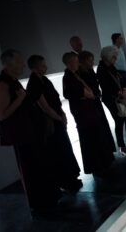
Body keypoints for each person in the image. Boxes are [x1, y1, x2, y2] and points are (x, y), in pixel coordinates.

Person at [0, 49, 61, 211]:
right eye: (19, 61)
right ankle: (40, 205)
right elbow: (0, 115)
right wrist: (21, 97)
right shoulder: (3, 83)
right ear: (9, 64)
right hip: (22, 136)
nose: (23, 64)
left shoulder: (12, 81)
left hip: (28, 133)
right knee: (31, 170)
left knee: (37, 168)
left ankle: (46, 201)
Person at [26, 55, 82, 192]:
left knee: (65, 148)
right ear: (34, 67)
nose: (45, 67)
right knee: (58, 151)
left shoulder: (44, 80)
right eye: (42, 65)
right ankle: (65, 181)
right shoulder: (34, 83)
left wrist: (62, 114)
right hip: (49, 122)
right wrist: (58, 117)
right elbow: (44, 106)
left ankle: (71, 178)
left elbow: (55, 99)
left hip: (56, 118)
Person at [62, 52, 115, 176]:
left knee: (95, 135)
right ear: (70, 63)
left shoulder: (74, 75)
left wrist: (89, 94)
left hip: (87, 110)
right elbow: (85, 93)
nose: (78, 63)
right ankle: (96, 165)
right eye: (76, 61)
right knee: (89, 138)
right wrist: (88, 94)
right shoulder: (69, 77)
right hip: (83, 112)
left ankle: (101, 162)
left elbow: (89, 92)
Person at [97, 46, 126, 156]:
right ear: (107, 56)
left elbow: (118, 80)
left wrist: (123, 91)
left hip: (119, 96)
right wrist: (119, 94)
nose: (115, 58)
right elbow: (106, 87)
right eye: (113, 56)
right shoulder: (101, 69)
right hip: (111, 99)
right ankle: (122, 146)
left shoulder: (110, 66)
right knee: (119, 120)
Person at [78, 50, 116, 156]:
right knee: (97, 128)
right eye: (90, 60)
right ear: (83, 61)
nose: (92, 62)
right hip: (90, 105)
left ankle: (108, 150)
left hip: (96, 102)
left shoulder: (90, 71)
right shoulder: (80, 74)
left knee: (103, 125)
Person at [111, 33, 126, 99]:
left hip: (123, 73)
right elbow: (112, 63)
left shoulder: (120, 49)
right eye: (121, 38)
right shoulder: (113, 49)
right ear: (116, 39)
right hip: (119, 74)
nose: (122, 39)